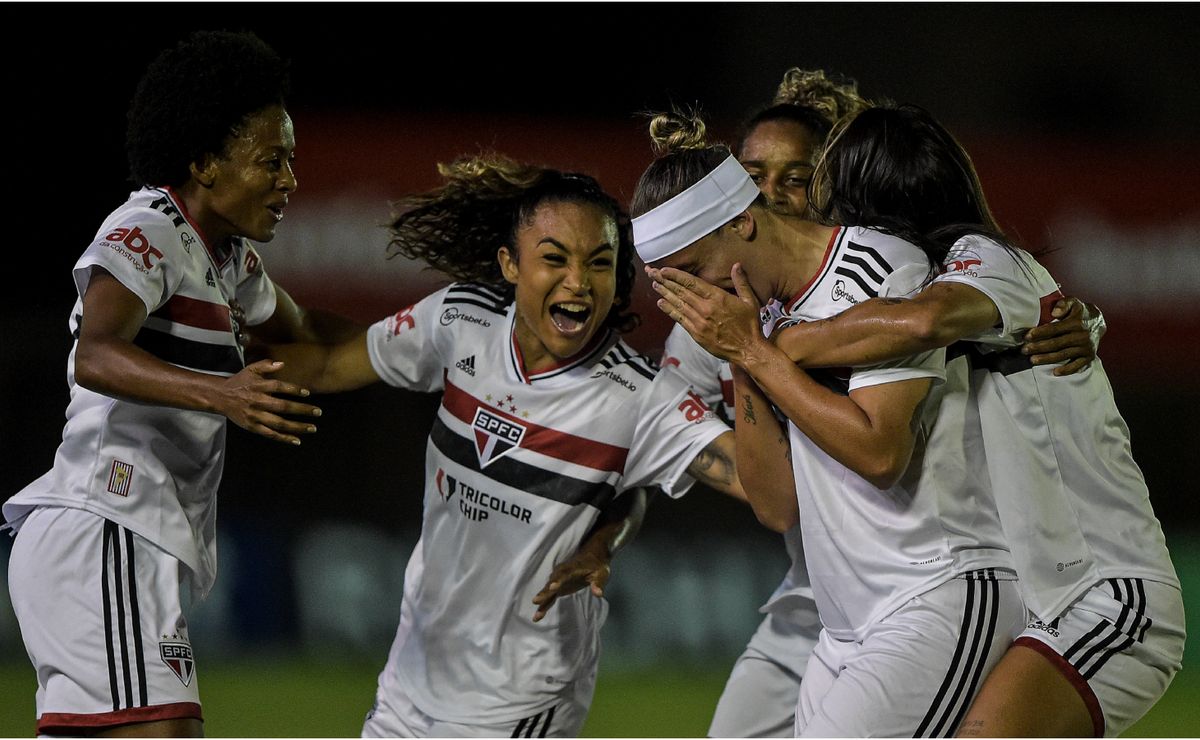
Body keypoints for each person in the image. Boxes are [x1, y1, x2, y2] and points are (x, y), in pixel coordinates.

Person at [652, 103, 1185, 738]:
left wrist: (760, 351)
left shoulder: (977, 264)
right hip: (1033, 600)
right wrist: (756, 352)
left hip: (1105, 588)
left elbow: (922, 327)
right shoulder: (869, 298)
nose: (806, 204)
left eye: (820, 185)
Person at [266, 154, 743, 738]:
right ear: (509, 265)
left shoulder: (640, 396)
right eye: (555, 259)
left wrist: (759, 359)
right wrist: (206, 366)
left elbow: (762, 487)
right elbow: (327, 361)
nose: (577, 282)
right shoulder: (460, 321)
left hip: (520, 697)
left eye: (600, 263)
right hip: (410, 681)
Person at [2, 30, 361, 737]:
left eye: (291, 160)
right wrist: (223, 393)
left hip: (135, 541)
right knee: (166, 732)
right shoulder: (148, 227)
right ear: (204, 162)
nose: (290, 180)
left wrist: (444, 337)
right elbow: (96, 355)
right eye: (271, 161)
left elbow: (306, 333)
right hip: (101, 527)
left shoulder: (231, 263)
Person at [633, 109, 1027, 737]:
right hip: (843, 622)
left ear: (740, 219)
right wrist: (742, 358)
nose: (698, 302)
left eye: (698, 275)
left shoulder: (880, 267)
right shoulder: (754, 313)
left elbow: (880, 453)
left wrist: (755, 352)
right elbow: (777, 506)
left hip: (937, 590)